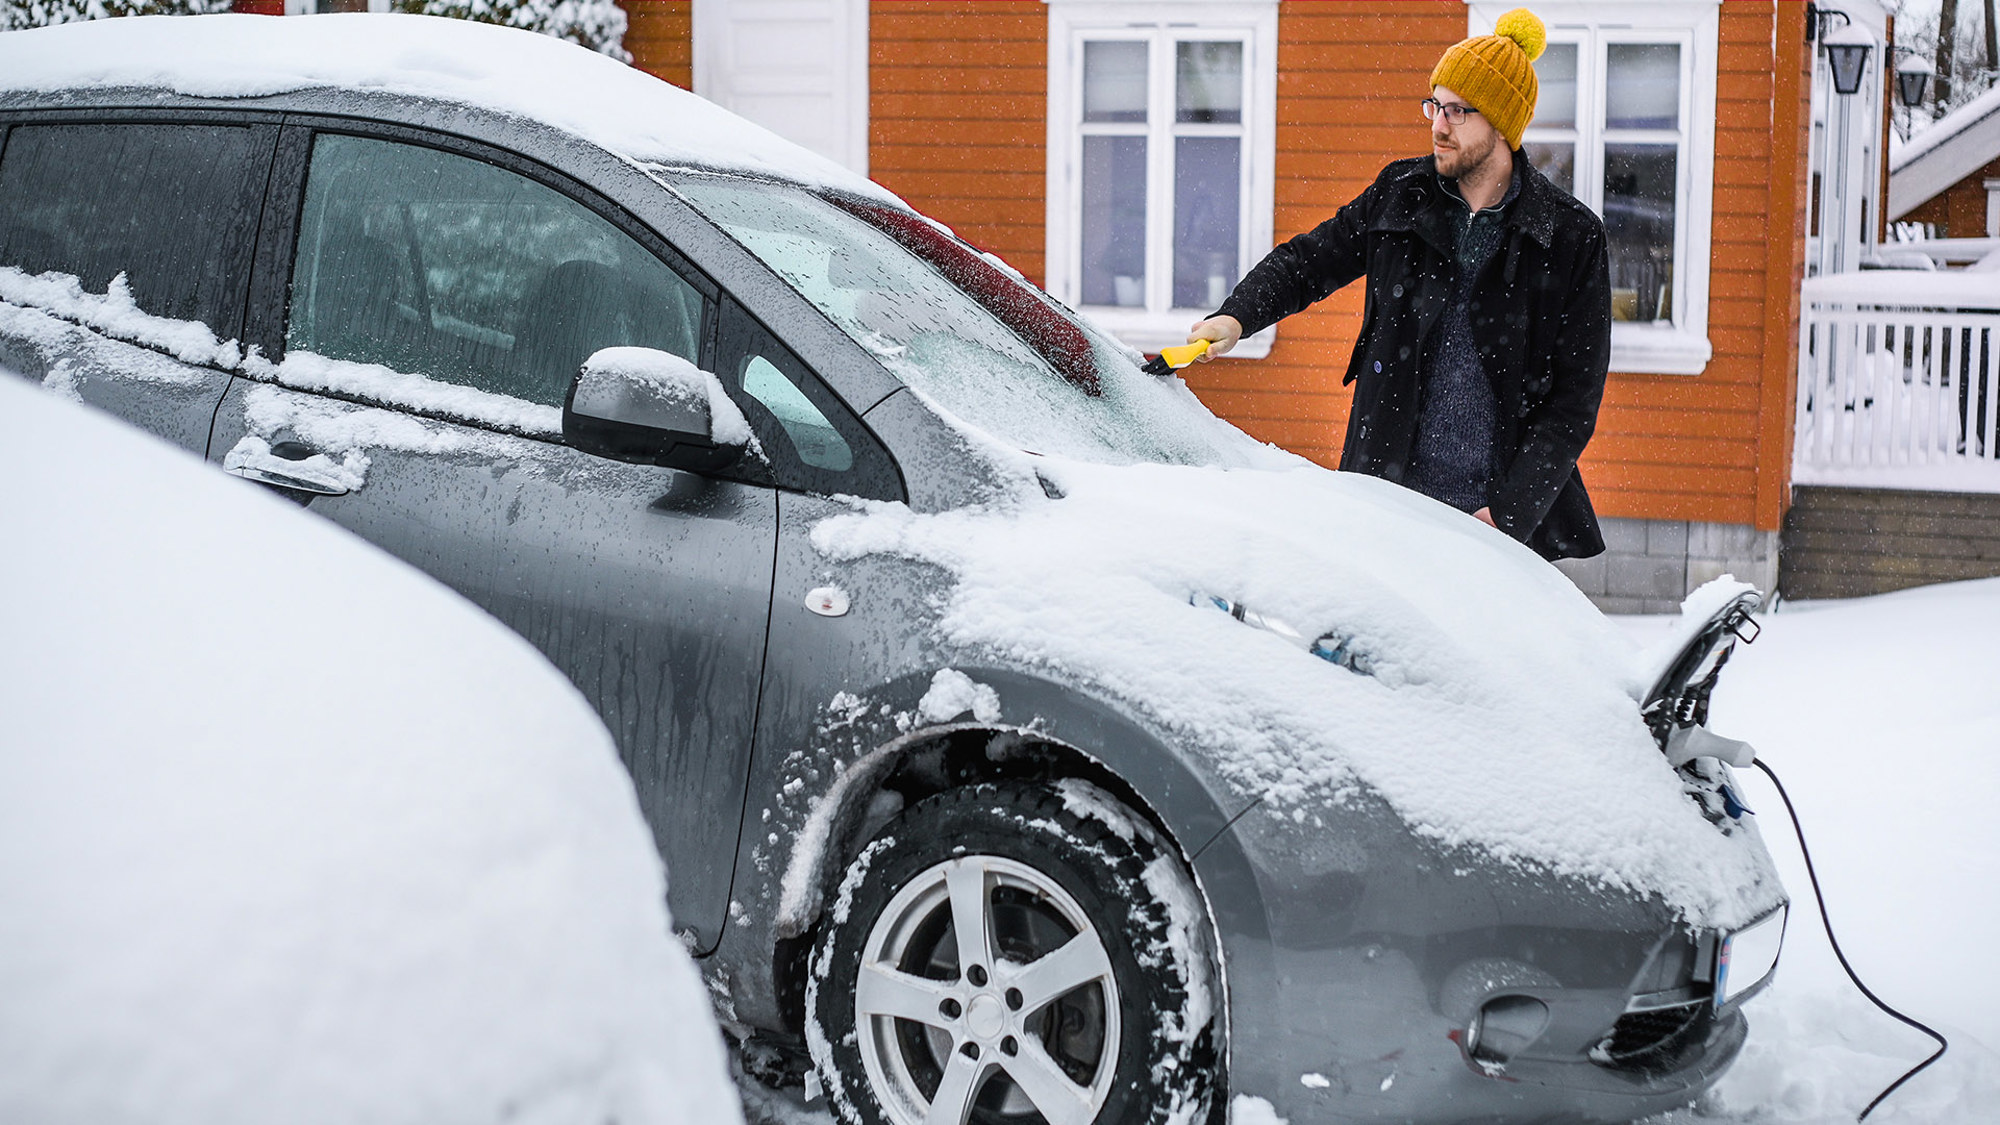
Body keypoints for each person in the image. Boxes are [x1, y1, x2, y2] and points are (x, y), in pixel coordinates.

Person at [1184, 8, 1610, 561]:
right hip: (1385, 501)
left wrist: (1509, 514)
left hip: (1494, 527)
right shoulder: (1401, 194)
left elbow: (1574, 401)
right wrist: (1237, 315)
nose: (1438, 124)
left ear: (1503, 124)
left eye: (1459, 110)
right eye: (1435, 103)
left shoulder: (1569, 238)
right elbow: (1310, 261)